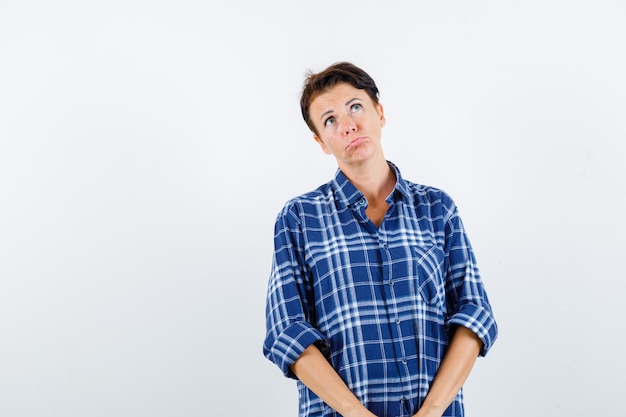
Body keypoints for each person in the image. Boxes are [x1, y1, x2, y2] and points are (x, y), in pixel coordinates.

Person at [263, 62, 498, 417]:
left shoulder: (437, 209)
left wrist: (432, 411)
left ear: (380, 113)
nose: (348, 125)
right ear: (320, 141)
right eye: (329, 120)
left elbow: (474, 313)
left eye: (355, 107)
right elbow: (288, 332)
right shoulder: (298, 219)